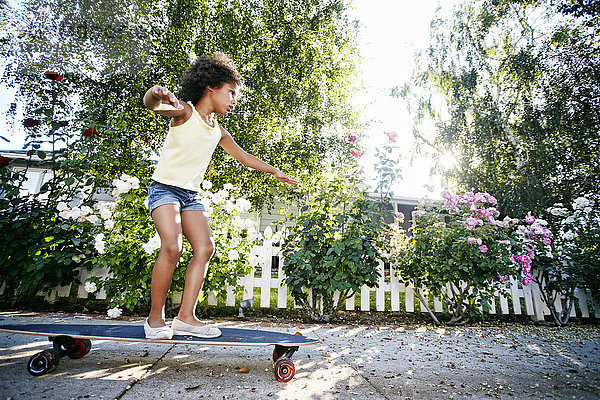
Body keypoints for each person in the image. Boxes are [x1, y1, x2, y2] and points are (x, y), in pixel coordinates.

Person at [142, 53, 297, 339]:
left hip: (190, 196)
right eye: (232, 92)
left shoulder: (218, 131)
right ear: (211, 87)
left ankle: (186, 317)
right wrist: (155, 93)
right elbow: (153, 105)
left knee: (205, 248)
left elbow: (244, 156)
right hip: (164, 189)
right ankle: (154, 319)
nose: (234, 99)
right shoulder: (184, 112)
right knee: (172, 247)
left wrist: (274, 171)